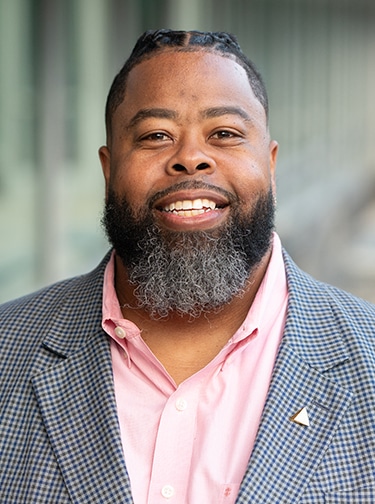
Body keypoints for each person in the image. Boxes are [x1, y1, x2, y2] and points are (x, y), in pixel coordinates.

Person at [1, 29, 375, 504]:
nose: (191, 158)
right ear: (108, 168)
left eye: (224, 134)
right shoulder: (7, 352)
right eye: (156, 136)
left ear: (271, 163)